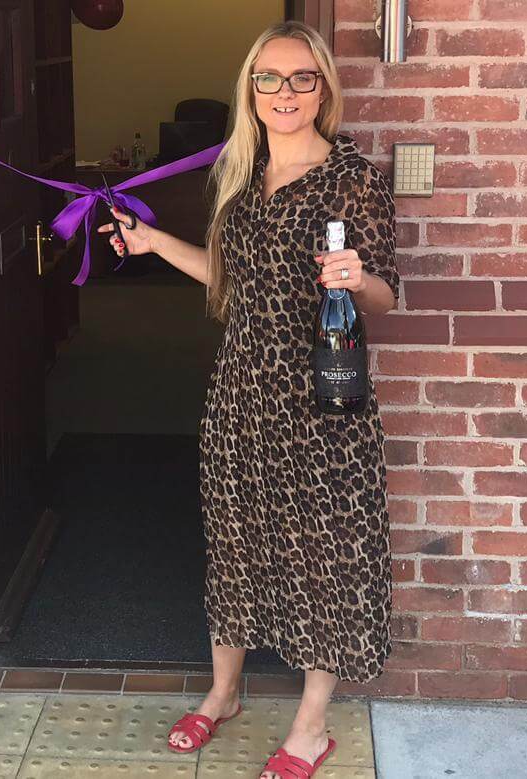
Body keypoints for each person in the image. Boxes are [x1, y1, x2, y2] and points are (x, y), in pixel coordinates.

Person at [97, 20, 399, 779]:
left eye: (302, 78)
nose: (286, 92)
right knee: (234, 543)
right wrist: (153, 243)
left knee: (325, 550)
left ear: (323, 88)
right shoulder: (243, 173)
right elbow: (231, 284)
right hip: (240, 393)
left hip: (321, 399)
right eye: (270, 79)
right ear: (252, 91)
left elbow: (389, 296)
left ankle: (310, 724)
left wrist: (357, 279)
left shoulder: (352, 177)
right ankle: (224, 691)